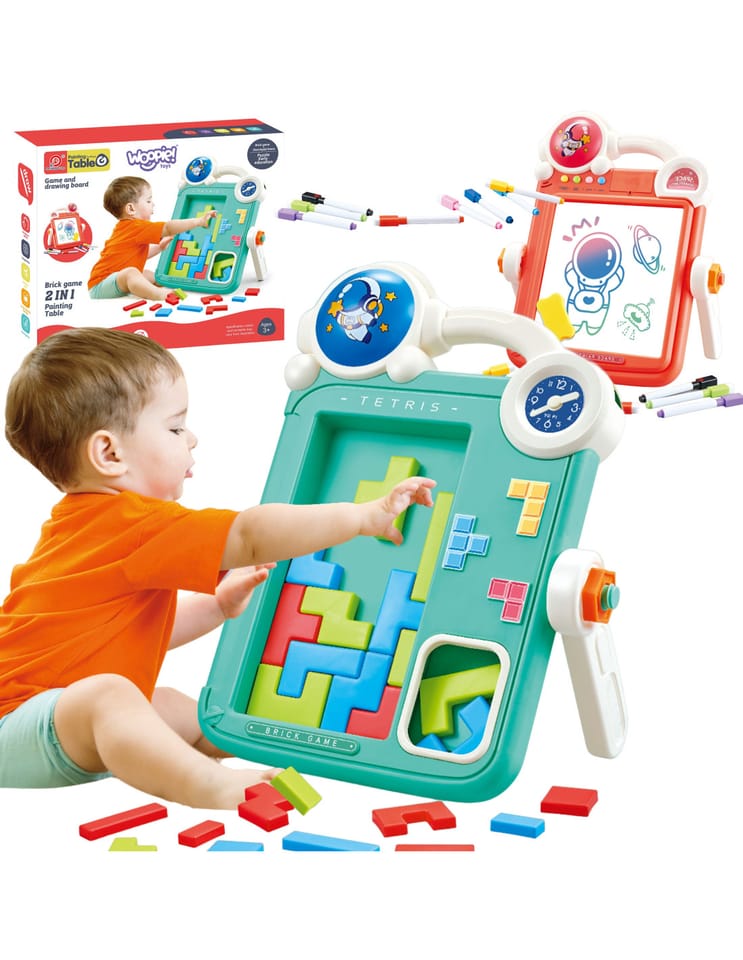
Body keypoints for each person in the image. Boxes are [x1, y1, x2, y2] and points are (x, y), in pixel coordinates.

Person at [0, 328, 435, 809]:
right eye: (174, 428)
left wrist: (215, 607)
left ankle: (246, 744)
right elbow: (250, 535)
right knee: (111, 696)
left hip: (57, 721)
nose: (192, 438)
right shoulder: (132, 524)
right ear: (109, 454)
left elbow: (129, 634)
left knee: (163, 703)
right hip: (16, 722)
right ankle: (211, 785)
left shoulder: (85, 527)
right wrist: (361, 517)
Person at [87, 176, 216, 301]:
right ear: (131, 208)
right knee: (131, 273)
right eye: (148, 201)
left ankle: (163, 285)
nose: (153, 204)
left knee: (148, 275)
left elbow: (137, 255)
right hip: (100, 284)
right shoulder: (136, 226)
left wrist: (159, 248)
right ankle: (159, 294)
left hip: (116, 281)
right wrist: (198, 221)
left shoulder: (127, 228)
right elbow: (168, 228)